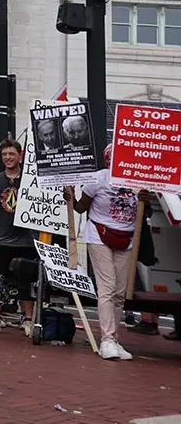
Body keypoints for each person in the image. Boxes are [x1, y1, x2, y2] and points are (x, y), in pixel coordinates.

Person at [65, 146, 149, 361]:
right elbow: (81, 208)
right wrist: (71, 198)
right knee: (108, 287)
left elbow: (142, 212)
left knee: (121, 292)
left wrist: (145, 201)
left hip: (127, 238)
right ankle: (107, 340)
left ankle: (114, 338)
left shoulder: (138, 180)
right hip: (99, 235)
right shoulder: (98, 178)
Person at [0, 139, 37, 335]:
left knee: (27, 282)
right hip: (0, 239)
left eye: (11, 154)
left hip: (26, 241)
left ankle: (28, 319)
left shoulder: (32, 179)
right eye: (4, 154)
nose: (7, 158)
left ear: (20, 156)